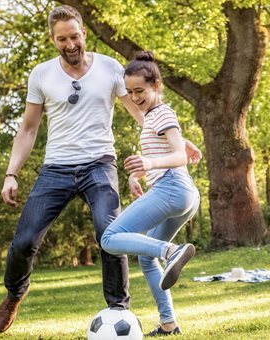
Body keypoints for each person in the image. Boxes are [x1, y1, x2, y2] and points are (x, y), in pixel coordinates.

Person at [0, 5, 202, 334]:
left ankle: (118, 308)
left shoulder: (110, 68)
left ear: (84, 34)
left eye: (75, 36)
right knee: (24, 241)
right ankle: (15, 293)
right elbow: (28, 129)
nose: (70, 43)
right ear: (53, 40)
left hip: (99, 164)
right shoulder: (41, 75)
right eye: (62, 39)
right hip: (56, 168)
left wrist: (177, 140)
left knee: (112, 232)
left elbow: (142, 110)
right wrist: (11, 174)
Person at [100, 51, 200, 337]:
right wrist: (136, 174)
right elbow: (166, 149)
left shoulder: (163, 113)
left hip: (172, 188)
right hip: (183, 195)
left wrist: (151, 164)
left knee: (109, 238)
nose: (133, 97)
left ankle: (172, 251)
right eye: (129, 92)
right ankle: (169, 323)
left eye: (140, 90)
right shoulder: (152, 117)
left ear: (156, 86)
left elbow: (179, 155)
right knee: (146, 259)